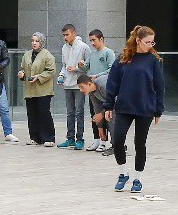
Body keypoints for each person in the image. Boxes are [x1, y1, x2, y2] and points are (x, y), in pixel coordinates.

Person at [101, 25, 166, 195]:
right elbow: (112, 83)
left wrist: (158, 110)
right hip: (124, 107)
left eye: (152, 42)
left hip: (145, 108)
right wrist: (108, 105)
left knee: (140, 143)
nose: (150, 45)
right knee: (118, 140)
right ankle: (123, 173)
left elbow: (160, 87)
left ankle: (137, 178)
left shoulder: (153, 60)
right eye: (147, 42)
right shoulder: (123, 59)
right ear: (138, 40)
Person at [18, 33, 57, 146]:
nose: (34, 43)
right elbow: (23, 68)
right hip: (30, 90)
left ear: (42, 42)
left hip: (43, 90)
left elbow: (51, 71)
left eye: (37, 41)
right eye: (32, 41)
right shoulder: (27, 55)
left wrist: (39, 77)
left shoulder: (47, 55)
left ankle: (49, 138)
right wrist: (22, 74)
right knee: (32, 114)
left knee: (44, 113)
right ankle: (35, 137)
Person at [57, 24, 90, 149]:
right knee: (70, 112)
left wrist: (76, 68)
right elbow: (64, 66)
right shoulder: (64, 47)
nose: (65, 37)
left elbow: (88, 66)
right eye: (63, 35)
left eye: (67, 34)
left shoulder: (83, 47)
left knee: (79, 112)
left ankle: (80, 139)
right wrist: (61, 75)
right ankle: (70, 138)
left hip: (79, 84)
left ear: (74, 33)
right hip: (67, 84)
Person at [84, 29, 117, 152]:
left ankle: (115, 143)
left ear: (101, 39)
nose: (92, 43)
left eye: (94, 40)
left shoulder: (109, 52)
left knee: (109, 116)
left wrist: (97, 76)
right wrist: (80, 65)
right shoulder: (92, 54)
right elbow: (86, 66)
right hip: (93, 89)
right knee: (96, 115)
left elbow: (112, 69)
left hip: (105, 88)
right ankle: (99, 140)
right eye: (90, 40)